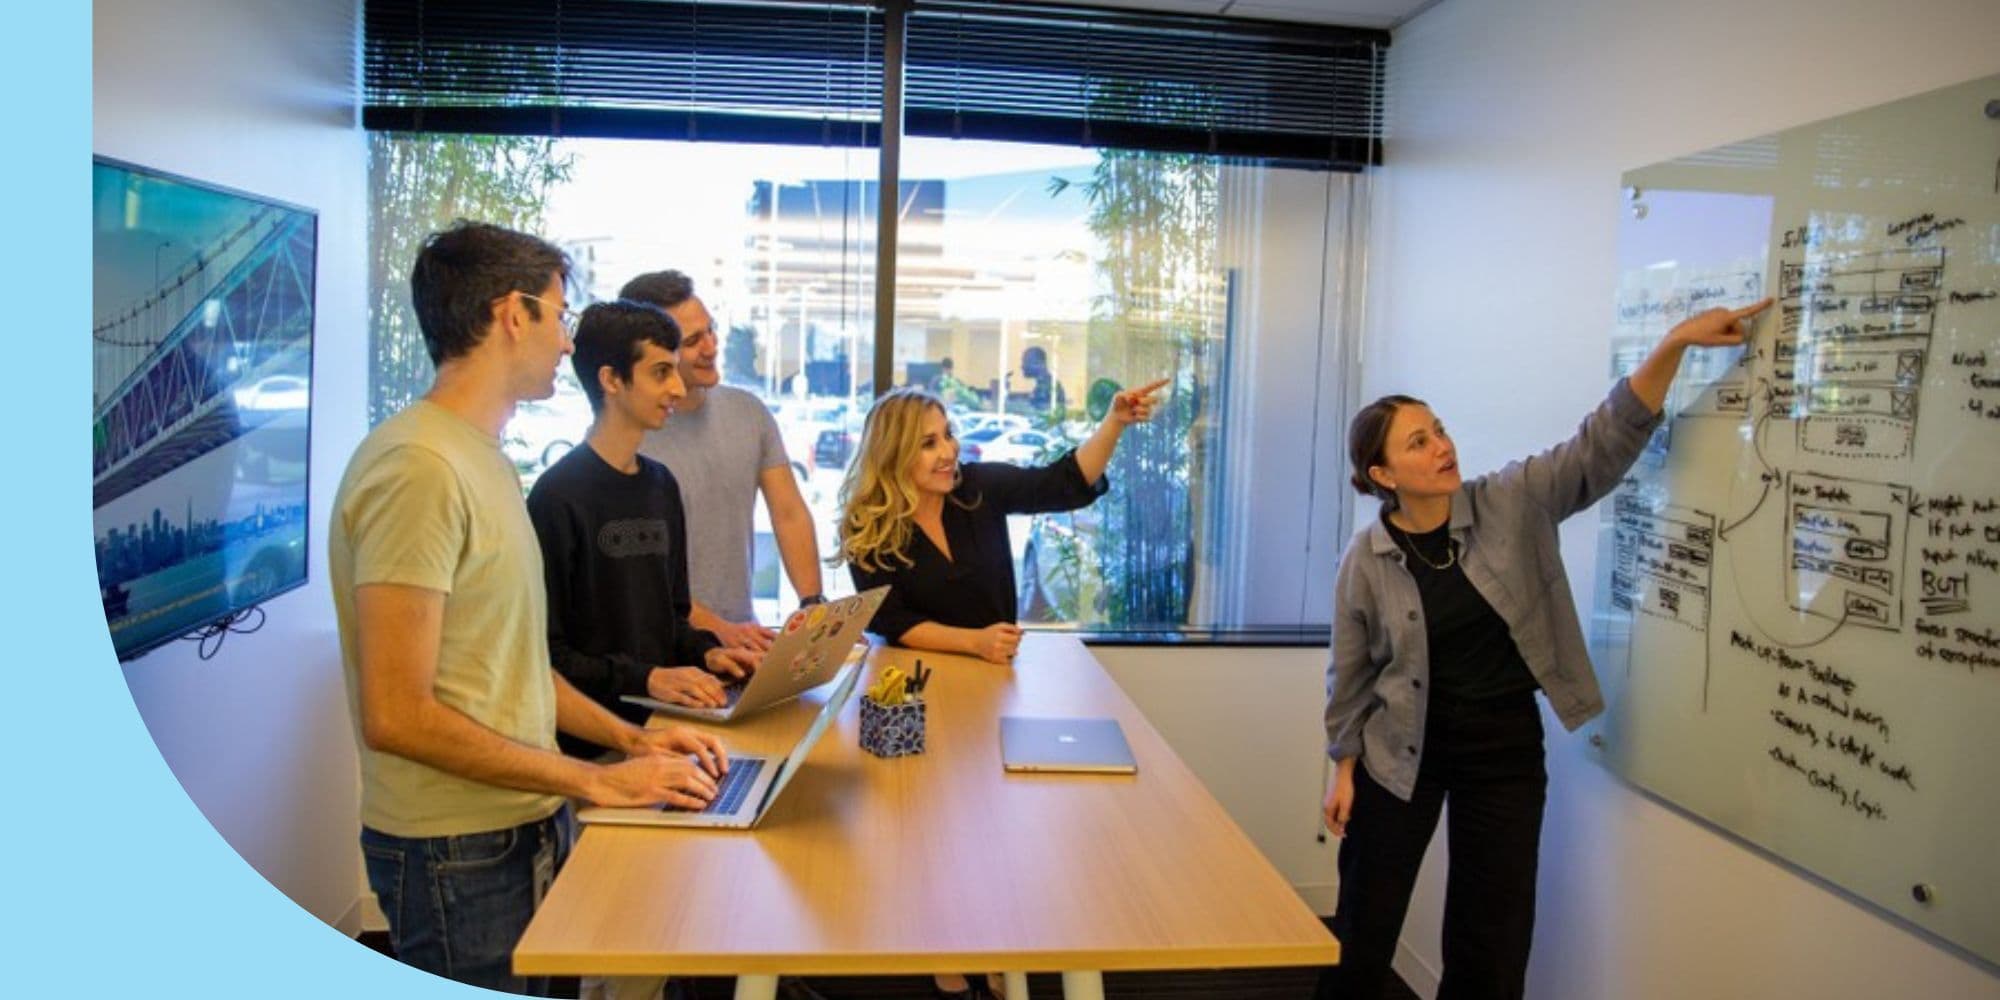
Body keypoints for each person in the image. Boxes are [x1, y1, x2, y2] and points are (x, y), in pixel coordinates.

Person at [1317, 298, 1773, 1000]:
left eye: (1438, 431)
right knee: (1365, 927)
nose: (1442, 447)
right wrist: (1344, 767)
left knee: (1492, 938)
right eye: (1417, 443)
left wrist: (1675, 343)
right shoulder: (1367, 557)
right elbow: (1349, 673)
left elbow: (1601, 445)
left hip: (1503, 751)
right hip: (1398, 750)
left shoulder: (1512, 501)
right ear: (1382, 475)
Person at [329, 222, 727, 995]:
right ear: (513, 315)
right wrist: (595, 783)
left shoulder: (481, 459)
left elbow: (513, 671)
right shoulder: (419, 467)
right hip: (455, 848)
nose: (567, 339)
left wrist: (630, 744)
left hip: (518, 825)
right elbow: (396, 714)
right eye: (558, 314)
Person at [527, 300, 764, 747]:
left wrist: (709, 652)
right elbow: (547, 656)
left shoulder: (660, 484)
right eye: (661, 372)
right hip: (592, 747)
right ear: (611, 380)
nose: (677, 387)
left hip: (668, 730)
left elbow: (671, 620)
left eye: (676, 370)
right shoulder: (556, 497)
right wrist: (648, 678)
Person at [835, 378, 1167, 662]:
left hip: (993, 672)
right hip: (912, 681)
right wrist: (974, 643)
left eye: (947, 435)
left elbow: (1061, 484)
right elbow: (893, 620)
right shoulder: (867, 528)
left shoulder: (977, 488)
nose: (949, 452)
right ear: (894, 453)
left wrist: (1114, 422)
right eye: (928, 444)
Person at [623, 270, 823, 652]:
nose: (711, 347)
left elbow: (789, 512)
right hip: (666, 649)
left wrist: (813, 605)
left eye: (711, 331)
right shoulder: (631, 440)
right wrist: (715, 628)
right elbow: (639, 572)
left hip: (742, 639)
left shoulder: (749, 412)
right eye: (693, 340)